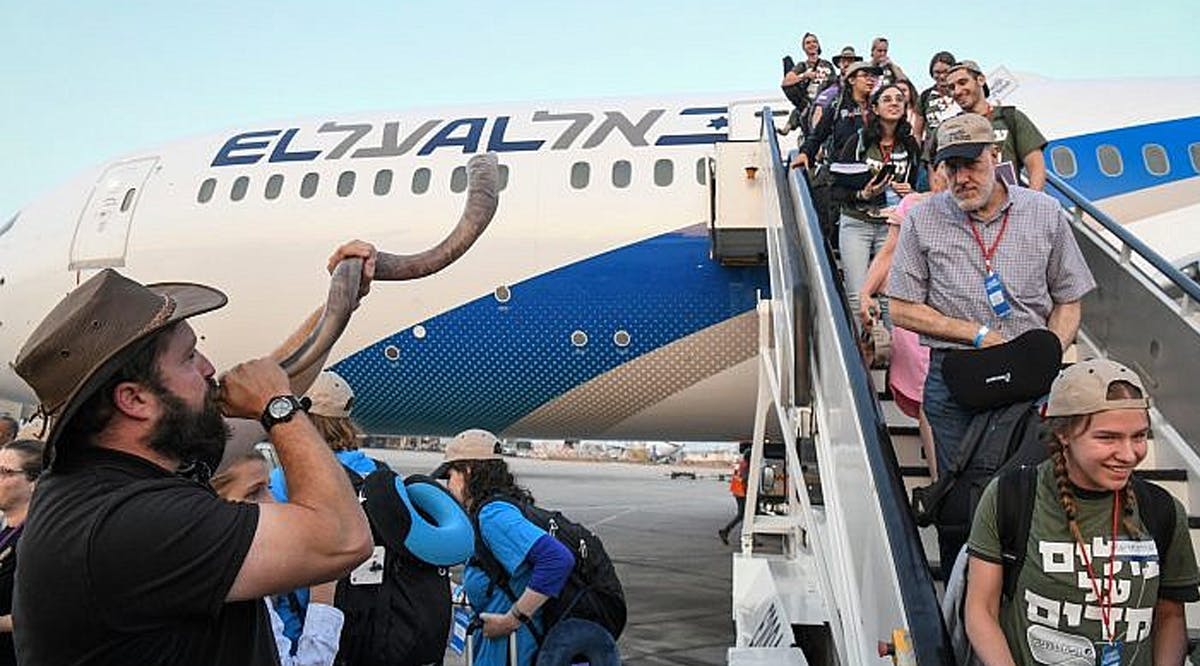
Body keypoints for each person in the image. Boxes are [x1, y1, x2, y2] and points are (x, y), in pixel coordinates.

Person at [8, 241, 377, 664]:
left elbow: (277, 384)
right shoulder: (129, 524)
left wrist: (338, 304)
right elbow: (343, 540)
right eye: (188, 357)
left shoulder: (124, 470)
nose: (208, 368)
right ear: (135, 400)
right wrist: (278, 407)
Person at [887, 114, 1096, 568]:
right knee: (960, 502)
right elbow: (900, 307)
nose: (961, 177)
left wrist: (1047, 355)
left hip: (1029, 379)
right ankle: (960, 607)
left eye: (971, 164)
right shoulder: (923, 219)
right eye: (950, 166)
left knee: (1030, 493)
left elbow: (1069, 299)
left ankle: (1018, 598)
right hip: (956, 376)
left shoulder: (1043, 212)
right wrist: (976, 334)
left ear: (995, 156)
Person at [964, 359, 1199, 664]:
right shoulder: (1011, 497)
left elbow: (1170, 616)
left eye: (1139, 436)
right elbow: (980, 610)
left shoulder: (1162, 510)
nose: (1129, 455)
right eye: (1108, 437)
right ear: (1064, 433)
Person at [434, 429, 619, 666]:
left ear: (468, 470)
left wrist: (511, 620)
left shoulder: (493, 515)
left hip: (512, 652)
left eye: (450, 475)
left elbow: (556, 558)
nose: (448, 485)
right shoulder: (504, 508)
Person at [213, 450, 344, 666]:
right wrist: (323, 595)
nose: (274, 503)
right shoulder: (239, 595)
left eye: (269, 488)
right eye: (254, 493)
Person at [858, 167, 948, 479]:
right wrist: (867, 292)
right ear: (932, 172)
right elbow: (888, 252)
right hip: (915, 311)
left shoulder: (976, 207)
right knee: (929, 398)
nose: (948, 179)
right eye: (942, 172)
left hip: (959, 313)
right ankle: (940, 480)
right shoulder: (912, 206)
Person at [830, 82, 921, 333]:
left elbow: (922, 190)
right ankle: (860, 353)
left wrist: (912, 193)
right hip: (857, 222)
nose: (894, 103)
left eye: (899, 100)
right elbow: (836, 188)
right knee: (858, 292)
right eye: (887, 99)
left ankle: (895, 352)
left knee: (891, 294)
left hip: (892, 227)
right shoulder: (857, 141)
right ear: (876, 108)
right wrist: (864, 192)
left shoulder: (911, 146)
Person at [946, 59, 1048, 190]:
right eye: (952, 87)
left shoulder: (1011, 117)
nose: (957, 91)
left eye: (962, 82)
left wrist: (1033, 202)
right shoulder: (951, 128)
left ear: (980, 80)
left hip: (1010, 203)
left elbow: (1035, 165)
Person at [0, 439, 40, 666]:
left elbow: (40, 615)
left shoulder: (35, 540)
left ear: (34, 483)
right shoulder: (8, 530)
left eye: (4, 472)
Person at [780, 32, 836, 129]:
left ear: (818, 45)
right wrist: (804, 75)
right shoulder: (802, 66)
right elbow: (786, 82)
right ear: (804, 48)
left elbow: (834, 83)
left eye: (814, 42)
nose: (811, 44)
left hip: (824, 101)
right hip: (807, 101)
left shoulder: (827, 64)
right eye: (808, 43)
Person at [806, 46, 863, 134]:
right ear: (839, 64)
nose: (847, 64)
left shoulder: (863, 86)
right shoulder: (830, 86)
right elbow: (819, 110)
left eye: (850, 61)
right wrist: (816, 139)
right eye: (844, 61)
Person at [916, 51, 961, 162]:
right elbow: (917, 132)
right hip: (930, 158)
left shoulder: (961, 94)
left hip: (957, 156)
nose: (941, 76)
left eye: (946, 71)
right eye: (937, 72)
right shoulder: (925, 96)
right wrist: (916, 156)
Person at [718, 445, 750, 544]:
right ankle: (726, 531)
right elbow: (744, 479)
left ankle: (728, 531)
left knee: (743, 515)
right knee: (742, 515)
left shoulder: (741, 464)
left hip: (738, 492)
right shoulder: (746, 466)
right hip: (742, 493)